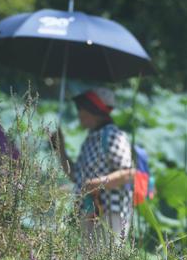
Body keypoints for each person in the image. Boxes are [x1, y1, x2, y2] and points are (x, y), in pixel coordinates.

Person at [51, 88, 134, 246]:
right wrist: (59, 148)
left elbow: (128, 173)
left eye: (81, 109)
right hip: (89, 212)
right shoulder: (91, 138)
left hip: (110, 213)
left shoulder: (113, 135)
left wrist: (96, 184)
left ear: (93, 110)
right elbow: (75, 175)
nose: (79, 114)